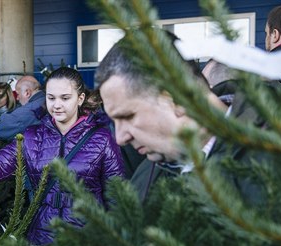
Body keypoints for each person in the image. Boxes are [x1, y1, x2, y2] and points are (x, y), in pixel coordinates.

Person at [96, 33, 267, 203]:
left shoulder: (278, 160)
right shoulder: (146, 177)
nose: (120, 138)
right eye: (115, 121)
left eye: (128, 116)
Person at [0, 67, 125, 246]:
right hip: (42, 236)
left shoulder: (101, 138)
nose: (56, 105)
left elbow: (116, 194)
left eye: (65, 98)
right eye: (51, 98)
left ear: (80, 99)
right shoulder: (33, 137)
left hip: (88, 240)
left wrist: (116, 243)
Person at [0, 75, 46, 141]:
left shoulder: (28, 110)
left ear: (27, 93)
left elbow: (2, 126)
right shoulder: (44, 100)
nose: (17, 98)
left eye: (18, 94)